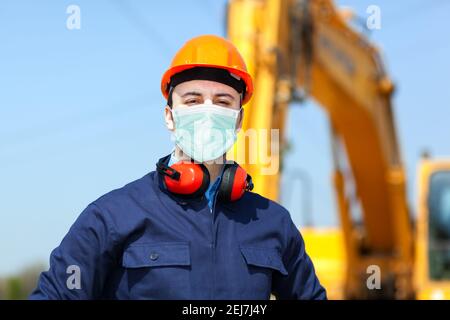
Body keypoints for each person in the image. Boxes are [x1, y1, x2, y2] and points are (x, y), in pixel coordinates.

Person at [30, 35, 326, 300]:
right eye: (193, 100)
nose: (208, 112)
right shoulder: (111, 217)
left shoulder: (272, 222)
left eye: (222, 102)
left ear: (237, 121)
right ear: (170, 116)